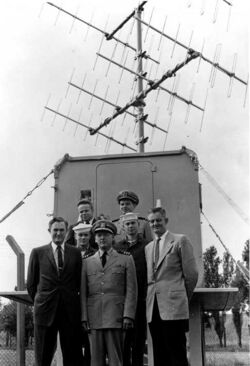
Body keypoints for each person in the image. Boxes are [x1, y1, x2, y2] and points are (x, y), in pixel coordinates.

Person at [145, 207, 198, 366]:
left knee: (176, 353)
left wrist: (180, 296)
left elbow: (192, 274)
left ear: (166, 221)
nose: (155, 224)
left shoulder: (180, 240)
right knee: (159, 354)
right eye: (152, 221)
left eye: (158, 220)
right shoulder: (148, 248)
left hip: (174, 307)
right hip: (153, 307)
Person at [27, 217, 83, 366]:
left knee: (72, 356)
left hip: (69, 312)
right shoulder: (38, 253)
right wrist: (43, 301)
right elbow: (32, 285)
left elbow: (78, 282)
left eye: (61, 230)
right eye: (55, 230)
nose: (58, 233)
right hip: (45, 312)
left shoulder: (75, 253)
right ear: (49, 231)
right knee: (43, 357)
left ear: (66, 232)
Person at [80, 219, 138, 366]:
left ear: (113, 237)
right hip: (94, 317)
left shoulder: (126, 258)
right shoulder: (86, 262)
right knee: (95, 361)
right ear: (94, 238)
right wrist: (84, 317)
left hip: (116, 317)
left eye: (106, 234)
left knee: (116, 361)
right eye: (99, 235)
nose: (102, 238)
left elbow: (132, 289)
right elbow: (83, 292)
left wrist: (128, 315)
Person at [114, 212, 148, 366]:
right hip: (123, 301)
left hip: (141, 300)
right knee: (124, 344)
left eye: (133, 223)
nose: (130, 226)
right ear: (122, 226)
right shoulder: (117, 247)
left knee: (139, 343)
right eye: (127, 224)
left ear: (138, 225)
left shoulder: (147, 245)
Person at [73, 222, 97, 366]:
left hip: (90, 302)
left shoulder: (95, 253)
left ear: (90, 236)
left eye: (85, 235)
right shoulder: (69, 253)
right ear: (75, 236)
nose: (83, 238)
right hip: (73, 303)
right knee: (73, 341)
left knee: (90, 342)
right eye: (80, 235)